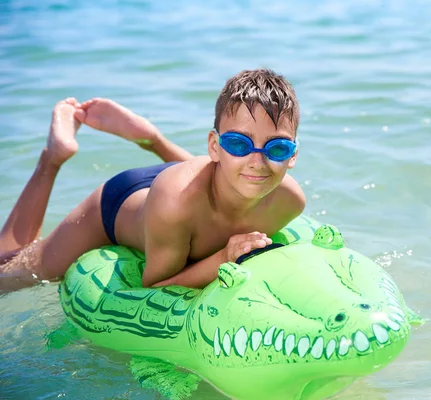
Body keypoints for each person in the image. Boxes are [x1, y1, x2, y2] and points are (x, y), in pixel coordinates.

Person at [0, 69, 305, 289]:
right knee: (11, 272)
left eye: (277, 148)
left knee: (230, 174)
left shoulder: (290, 201)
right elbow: (156, 286)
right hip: (118, 205)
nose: (258, 160)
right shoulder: (175, 202)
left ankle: (151, 139)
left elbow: (230, 175)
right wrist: (225, 257)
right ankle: (53, 157)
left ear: (292, 156)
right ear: (215, 145)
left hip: (193, 184)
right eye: (238, 143)